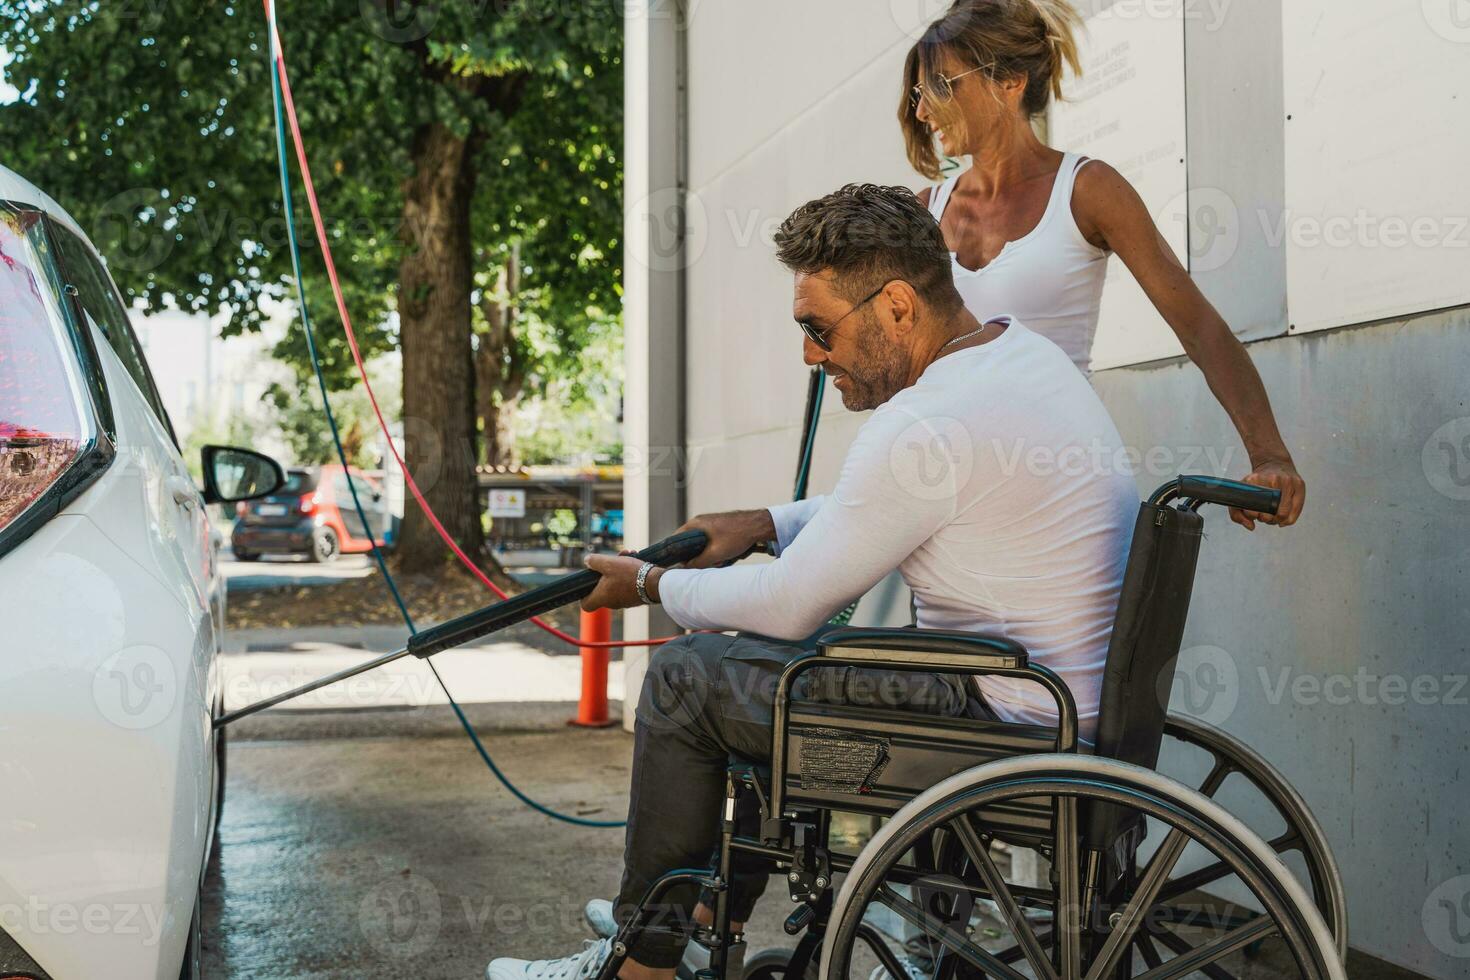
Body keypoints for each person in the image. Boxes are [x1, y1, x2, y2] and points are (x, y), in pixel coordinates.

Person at [485, 183, 1137, 980]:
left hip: (997, 727)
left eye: (817, 328)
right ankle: (696, 912)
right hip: (1058, 706)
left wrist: (651, 584)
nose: (810, 355)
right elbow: (905, 501)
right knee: (785, 677)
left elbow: (791, 604)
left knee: (691, 680)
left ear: (897, 306)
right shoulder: (1018, 358)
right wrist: (765, 522)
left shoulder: (921, 423)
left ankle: (643, 966)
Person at [901, 0, 1305, 531]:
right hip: (952, 498)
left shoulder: (1088, 190)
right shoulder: (923, 211)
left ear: (1010, 82)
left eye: (941, 86)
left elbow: (1199, 326)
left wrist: (1269, 456)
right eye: (918, 94)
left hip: (1060, 485)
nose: (925, 111)